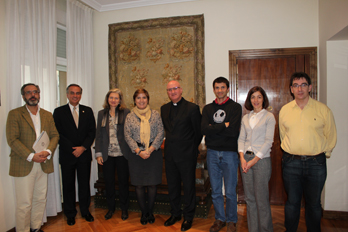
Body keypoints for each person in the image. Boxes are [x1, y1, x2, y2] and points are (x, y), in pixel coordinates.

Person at [279, 72, 337, 232]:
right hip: (291, 163)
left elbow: (331, 136)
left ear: (310, 87)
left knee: (314, 204)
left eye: (303, 84)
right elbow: (283, 136)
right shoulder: (284, 111)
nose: (300, 89)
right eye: (296, 85)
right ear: (291, 89)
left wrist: (325, 154)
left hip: (316, 164)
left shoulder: (323, 110)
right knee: (292, 203)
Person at [6, 83, 59, 232]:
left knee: (40, 199)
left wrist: (48, 151)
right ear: (23, 96)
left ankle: (35, 228)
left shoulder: (47, 115)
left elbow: (55, 135)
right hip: (24, 163)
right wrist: (31, 156)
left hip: (43, 162)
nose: (32, 95)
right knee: (24, 203)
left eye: (35, 92)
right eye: (28, 93)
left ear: (39, 94)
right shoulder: (15, 114)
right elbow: (12, 139)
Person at [201, 77, 241, 232]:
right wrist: (224, 125)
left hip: (230, 153)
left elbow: (233, 132)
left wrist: (213, 128)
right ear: (214, 90)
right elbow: (204, 130)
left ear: (228, 89)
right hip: (211, 153)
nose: (220, 90)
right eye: (217, 88)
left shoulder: (235, 107)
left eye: (222, 87)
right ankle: (219, 219)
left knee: (230, 191)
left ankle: (231, 220)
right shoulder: (207, 109)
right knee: (216, 190)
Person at [161, 80, 202, 231]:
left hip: (187, 155)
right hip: (170, 155)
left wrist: (191, 148)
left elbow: (198, 132)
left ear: (181, 90)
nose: (172, 92)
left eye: (175, 88)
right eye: (169, 90)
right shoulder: (164, 109)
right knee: (173, 187)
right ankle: (175, 213)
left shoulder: (192, 108)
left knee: (189, 187)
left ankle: (188, 217)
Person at [53, 84, 96, 226]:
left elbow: (92, 132)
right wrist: (73, 149)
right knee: (68, 185)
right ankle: (70, 213)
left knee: (84, 184)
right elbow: (57, 133)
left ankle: (85, 211)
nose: (75, 95)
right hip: (67, 155)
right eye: (72, 93)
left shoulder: (87, 111)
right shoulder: (59, 112)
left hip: (84, 155)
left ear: (81, 95)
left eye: (78, 93)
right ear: (67, 94)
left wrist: (83, 147)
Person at [238, 86, 276, 232]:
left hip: (261, 160)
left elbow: (268, 141)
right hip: (245, 159)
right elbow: (241, 139)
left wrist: (253, 161)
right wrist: (242, 158)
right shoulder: (245, 118)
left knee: (261, 199)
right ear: (249, 100)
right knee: (250, 199)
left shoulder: (269, 117)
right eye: (253, 97)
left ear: (263, 99)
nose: (256, 100)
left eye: (259, 97)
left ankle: (266, 229)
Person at [124, 88, 164, 225]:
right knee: (139, 186)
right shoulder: (130, 116)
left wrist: (151, 149)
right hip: (136, 155)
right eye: (138, 98)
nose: (141, 100)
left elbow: (161, 132)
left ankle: (150, 212)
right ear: (134, 100)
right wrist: (138, 151)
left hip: (153, 154)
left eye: (144, 97)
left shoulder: (155, 114)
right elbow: (127, 135)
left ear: (148, 99)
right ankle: (143, 212)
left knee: (152, 185)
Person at [95, 88, 132, 220]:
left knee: (123, 183)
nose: (113, 100)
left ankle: (124, 209)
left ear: (120, 100)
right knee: (108, 183)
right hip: (107, 154)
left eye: (116, 98)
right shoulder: (101, 114)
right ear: (107, 99)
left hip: (123, 154)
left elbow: (129, 132)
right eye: (111, 98)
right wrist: (98, 153)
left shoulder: (125, 112)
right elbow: (98, 135)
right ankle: (110, 208)